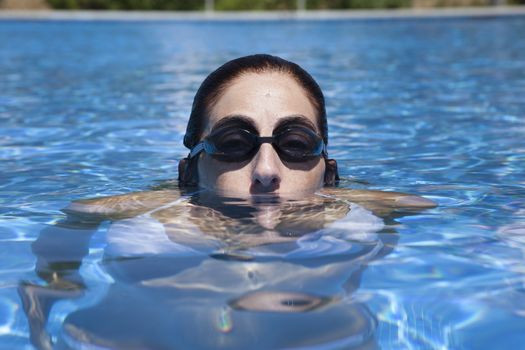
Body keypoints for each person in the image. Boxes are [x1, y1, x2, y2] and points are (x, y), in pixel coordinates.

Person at [19, 54, 436, 350]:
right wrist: (56, 284)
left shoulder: (362, 213)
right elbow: (74, 219)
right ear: (189, 170)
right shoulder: (142, 215)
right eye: (234, 143)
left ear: (327, 169)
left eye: (296, 144)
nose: (267, 170)